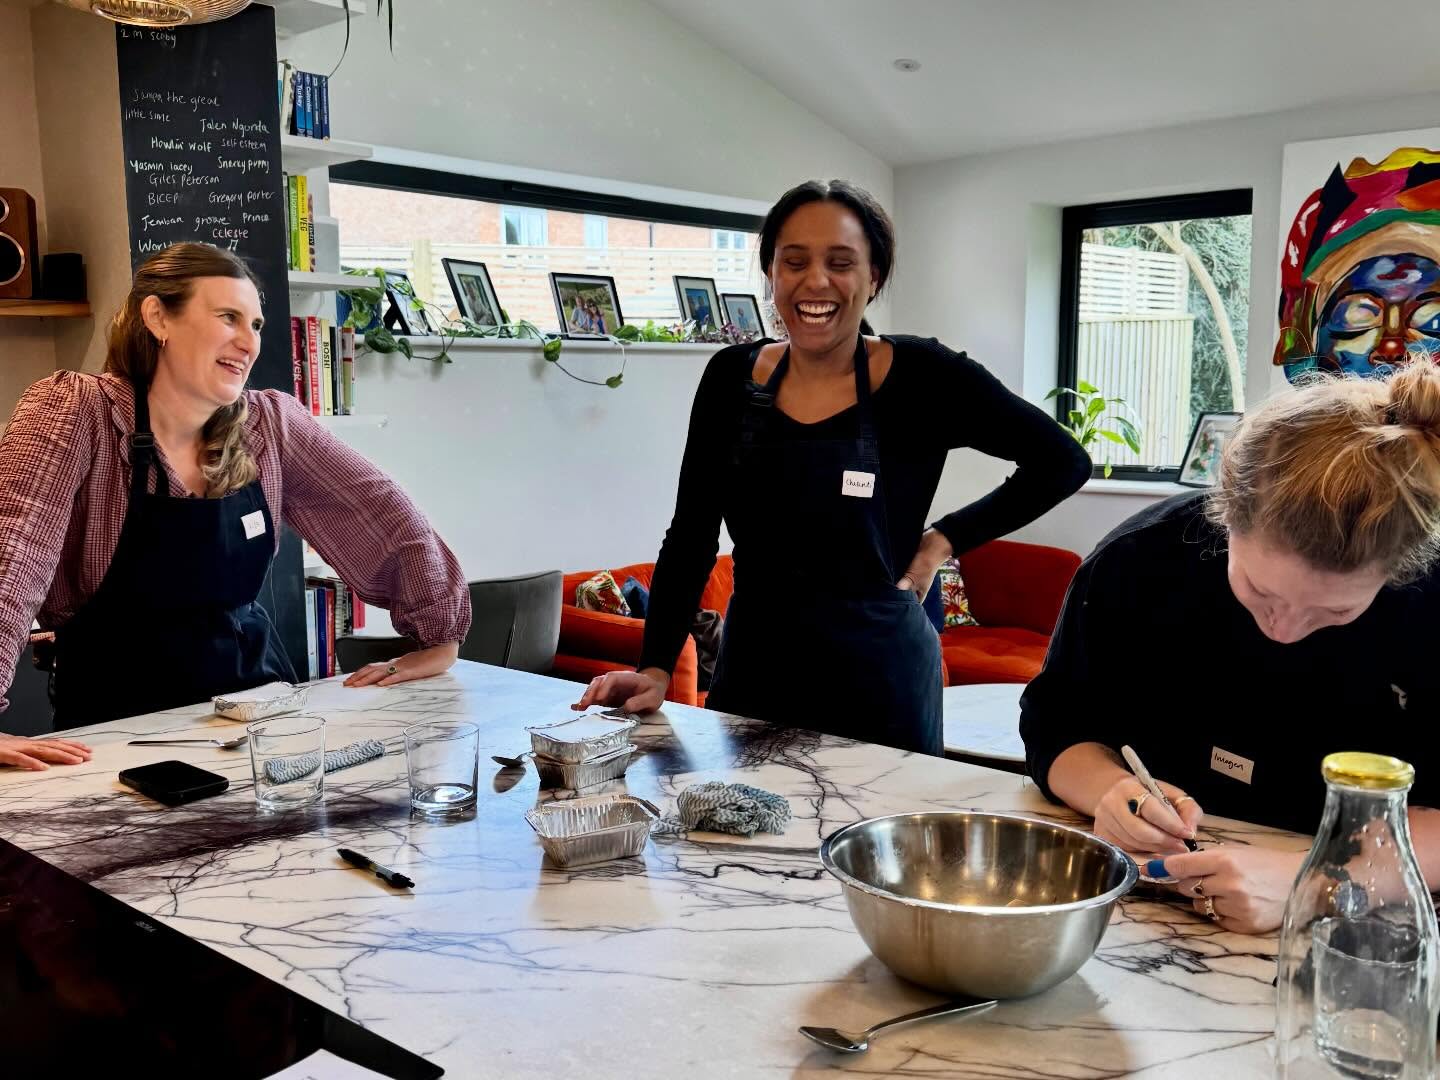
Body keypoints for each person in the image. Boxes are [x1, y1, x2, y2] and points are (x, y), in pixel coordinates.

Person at [574, 179, 1091, 754]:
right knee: (743, 841)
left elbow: (1062, 461)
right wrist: (657, 668)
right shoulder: (731, 379)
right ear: (772, 274)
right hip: (756, 671)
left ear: (874, 279)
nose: (815, 280)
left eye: (841, 263)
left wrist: (942, 541)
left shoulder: (926, 377)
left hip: (882, 679)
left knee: (883, 842)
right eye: (794, 261)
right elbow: (693, 532)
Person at [0, 242, 471, 770]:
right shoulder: (78, 411)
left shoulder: (269, 425)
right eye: (228, 317)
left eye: (257, 324)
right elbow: (12, 554)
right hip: (115, 732)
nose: (249, 342)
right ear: (158, 317)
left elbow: (380, 510)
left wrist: (439, 635)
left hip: (260, 722)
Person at [1020, 363, 1440, 933]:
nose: (1282, 630)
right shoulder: (1140, 562)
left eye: (1335, 612)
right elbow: (1057, 723)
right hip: (1150, 917)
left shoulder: (1430, 605)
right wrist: (1112, 792)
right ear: (1225, 517)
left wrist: (1314, 884)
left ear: (1401, 570)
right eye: (1259, 592)